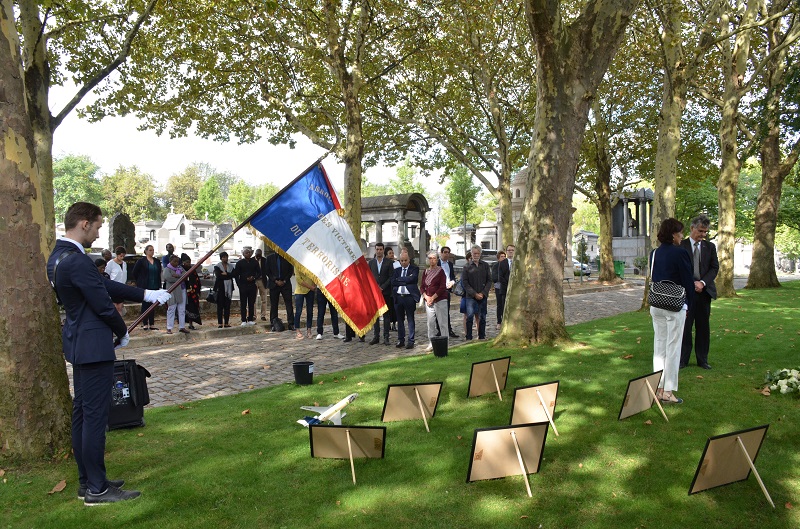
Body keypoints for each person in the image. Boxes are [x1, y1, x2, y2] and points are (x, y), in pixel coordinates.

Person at [47, 202, 170, 505]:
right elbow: (102, 302)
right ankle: (97, 489)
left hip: (80, 343)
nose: (99, 231)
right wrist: (122, 330)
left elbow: (101, 285)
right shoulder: (76, 260)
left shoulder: (59, 257)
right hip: (93, 346)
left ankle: (87, 481)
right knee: (94, 417)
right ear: (84, 223)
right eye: (99, 225)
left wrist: (145, 294)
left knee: (82, 415)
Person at [650, 218, 695, 404]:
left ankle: (658, 388)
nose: (682, 236)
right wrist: (689, 304)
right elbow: (687, 281)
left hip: (657, 304)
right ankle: (668, 391)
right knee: (673, 348)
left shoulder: (654, 253)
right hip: (674, 305)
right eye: (680, 233)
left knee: (659, 347)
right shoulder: (680, 253)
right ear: (673, 234)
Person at [680, 214, 719, 370]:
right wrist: (691, 284)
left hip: (704, 293)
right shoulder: (680, 246)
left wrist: (702, 283)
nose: (703, 235)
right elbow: (679, 270)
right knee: (685, 327)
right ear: (692, 228)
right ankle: (683, 360)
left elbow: (714, 268)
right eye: (701, 231)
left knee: (703, 328)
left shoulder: (710, 247)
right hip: (686, 295)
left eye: (705, 232)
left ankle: (702, 360)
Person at [461, 245, 492, 340]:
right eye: (474, 253)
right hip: (470, 296)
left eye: (478, 253)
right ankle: (469, 337)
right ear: (471, 254)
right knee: (469, 317)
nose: (476, 255)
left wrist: (483, 293)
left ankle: (482, 336)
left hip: (483, 295)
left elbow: (489, 280)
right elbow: (465, 282)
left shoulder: (485, 265)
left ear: (480, 254)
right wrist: (474, 294)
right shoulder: (466, 267)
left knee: (483, 317)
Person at [391, 250, 420, 349]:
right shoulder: (397, 270)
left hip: (409, 297)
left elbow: (413, 279)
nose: (403, 262)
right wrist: (405, 280)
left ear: (409, 260)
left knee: (410, 319)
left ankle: (411, 340)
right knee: (400, 320)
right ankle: (401, 339)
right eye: (401, 260)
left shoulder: (414, 269)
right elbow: (393, 281)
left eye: (405, 260)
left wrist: (400, 279)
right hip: (398, 297)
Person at [366, 243, 393, 345]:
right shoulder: (371, 263)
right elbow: (369, 277)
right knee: (375, 315)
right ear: (375, 250)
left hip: (385, 292)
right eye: (377, 249)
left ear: (383, 250)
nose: (379, 251)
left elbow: (391, 277)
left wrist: (382, 287)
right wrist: (375, 287)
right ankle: (376, 336)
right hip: (374, 293)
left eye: (381, 249)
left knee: (386, 315)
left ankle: (386, 337)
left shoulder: (388, 262)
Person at [421, 251, 448, 352]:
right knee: (430, 323)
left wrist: (433, 297)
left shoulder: (440, 271)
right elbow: (422, 287)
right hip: (428, 301)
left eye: (434, 258)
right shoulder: (425, 272)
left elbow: (442, 287)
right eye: (430, 258)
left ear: (437, 259)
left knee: (442, 323)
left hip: (440, 300)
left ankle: (445, 343)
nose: (432, 260)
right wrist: (426, 297)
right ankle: (431, 343)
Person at [131, 245, 162, 330]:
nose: (152, 252)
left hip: (154, 285)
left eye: (153, 250)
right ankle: (145, 323)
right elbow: (134, 272)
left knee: (153, 304)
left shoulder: (156, 261)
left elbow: (159, 272)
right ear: (146, 251)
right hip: (145, 286)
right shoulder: (141, 261)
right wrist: (139, 281)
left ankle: (152, 323)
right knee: (145, 305)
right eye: (150, 250)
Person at [265, 251, 295, 330]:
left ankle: (291, 323)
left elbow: (290, 270)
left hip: (285, 284)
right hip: (274, 284)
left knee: (289, 304)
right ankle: (273, 323)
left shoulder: (287, 257)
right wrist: (275, 280)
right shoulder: (269, 258)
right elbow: (267, 271)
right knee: (274, 305)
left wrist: (284, 281)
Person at [162, 254, 189, 334]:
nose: (176, 263)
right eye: (174, 261)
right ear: (170, 261)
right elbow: (168, 278)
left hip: (182, 289)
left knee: (182, 309)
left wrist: (177, 276)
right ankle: (169, 327)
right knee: (171, 308)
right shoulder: (167, 269)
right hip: (172, 290)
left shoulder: (180, 268)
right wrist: (180, 278)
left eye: (177, 261)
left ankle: (182, 326)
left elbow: (185, 275)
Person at [235, 247, 260, 325]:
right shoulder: (239, 263)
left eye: (249, 253)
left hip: (252, 285)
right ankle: (243, 320)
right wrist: (239, 285)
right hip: (243, 285)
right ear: (243, 254)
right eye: (246, 253)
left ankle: (250, 319)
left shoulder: (255, 262)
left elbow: (259, 273)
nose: (248, 254)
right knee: (243, 303)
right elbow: (236, 275)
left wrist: (254, 277)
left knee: (251, 303)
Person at [438, 246, 459, 338]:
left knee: (446, 311)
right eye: (445, 252)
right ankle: (439, 330)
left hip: (447, 289)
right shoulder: (437, 263)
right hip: (438, 290)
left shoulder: (450, 264)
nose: (447, 254)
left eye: (448, 252)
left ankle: (448, 329)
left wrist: (452, 282)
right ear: (441, 253)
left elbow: (453, 277)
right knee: (438, 311)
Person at [213, 252, 235, 328]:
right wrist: (228, 275)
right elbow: (218, 276)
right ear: (221, 258)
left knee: (227, 306)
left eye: (226, 257)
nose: (225, 258)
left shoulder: (231, 266)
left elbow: (233, 275)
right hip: (220, 288)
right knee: (220, 306)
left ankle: (226, 322)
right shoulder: (217, 266)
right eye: (224, 257)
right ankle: (220, 323)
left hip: (229, 288)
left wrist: (226, 274)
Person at [293, 270, 317, 339]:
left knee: (310, 311)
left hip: (310, 291)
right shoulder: (297, 264)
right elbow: (298, 279)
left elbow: (314, 274)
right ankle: (297, 330)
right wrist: (310, 287)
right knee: (298, 311)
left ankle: (309, 330)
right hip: (300, 290)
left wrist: (314, 284)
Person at [181, 254, 202, 330]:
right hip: (184, 292)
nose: (188, 264)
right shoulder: (181, 269)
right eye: (187, 262)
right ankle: (182, 325)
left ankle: (191, 323)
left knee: (193, 308)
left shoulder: (192, 269)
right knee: (184, 309)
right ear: (183, 262)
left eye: (189, 262)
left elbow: (196, 280)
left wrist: (197, 289)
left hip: (193, 293)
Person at [105, 246, 128, 315]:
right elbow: (107, 275)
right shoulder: (110, 263)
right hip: (113, 287)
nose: (122, 258)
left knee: (120, 307)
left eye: (123, 256)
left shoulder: (124, 263)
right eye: (121, 256)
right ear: (117, 255)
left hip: (121, 287)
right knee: (115, 307)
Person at [498, 244, 514, 327]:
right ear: (506, 252)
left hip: (515, 290)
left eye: (512, 250)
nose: (511, 252)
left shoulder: (518, 262)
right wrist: (508, 286)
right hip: (505, 289)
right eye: (509, 250)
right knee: (504, 307)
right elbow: (500, 277)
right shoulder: (502, 263)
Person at [384, 246, 399, 331]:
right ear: (386, 255)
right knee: (388, 307)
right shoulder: (385, 264)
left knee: (394, 307)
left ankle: (394, 323)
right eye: (390, 253)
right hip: (388, 288)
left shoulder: (396, 263)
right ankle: (388, 323)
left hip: (395, 288)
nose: (392, 255)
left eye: (392, 253)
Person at [253, 248, 270, 321]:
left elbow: (267, 270)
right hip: (254, 281)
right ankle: (253, 315)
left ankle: (263, 315)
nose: (258, 257)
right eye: (257, 255)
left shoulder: (265, 260)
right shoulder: (251, 260)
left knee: (264, 299)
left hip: (262, 281)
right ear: (255, 254)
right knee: (253, 299)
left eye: (260, 255)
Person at [493, 250, 507, 328]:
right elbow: (494, 277)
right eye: (502, 257)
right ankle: (499, 321)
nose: (503, 258)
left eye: (504, 257)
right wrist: (501, 278)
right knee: (499, 304)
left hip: (505, 287)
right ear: (498, 258)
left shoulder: (507, 265)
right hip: (498, 287)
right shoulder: (496, 266)